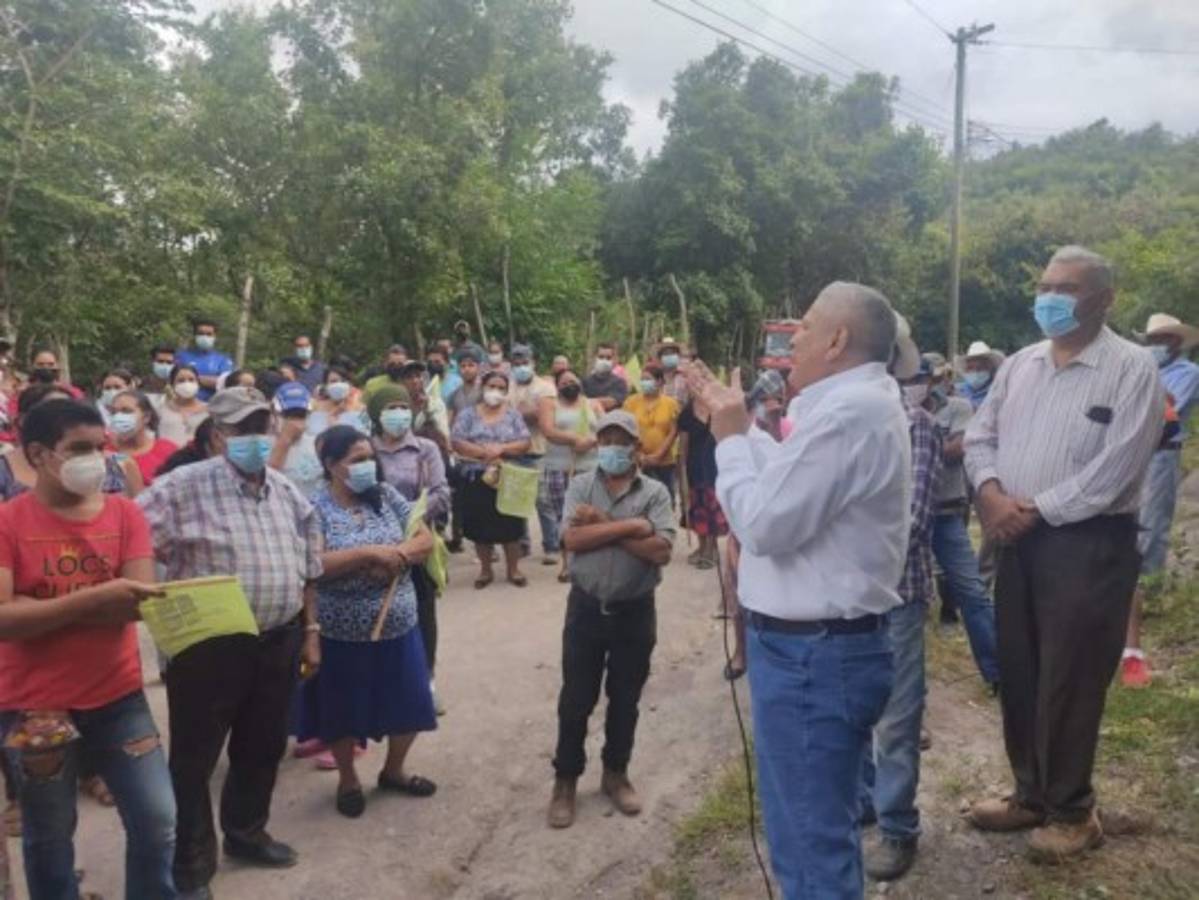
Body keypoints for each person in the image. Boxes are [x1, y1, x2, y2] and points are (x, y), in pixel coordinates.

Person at [687, 281, 910, 899]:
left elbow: (760, 524)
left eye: (805, 327)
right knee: (816, 826)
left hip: (815, 656)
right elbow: (786, 483)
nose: (793, 338)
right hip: (816, 651)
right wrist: (731, 424)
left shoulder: (849, 413)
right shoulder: (848, 406)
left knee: (810, 846)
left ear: (837, 341)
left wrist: (731, 439)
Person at [963, 246, 1163, 862]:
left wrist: (1030, 510)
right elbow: (979, 435)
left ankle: (1074, 811)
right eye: (1046, 284)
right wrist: (992, 496)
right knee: (1020, 669)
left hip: (1087, 544)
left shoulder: (1132, 371)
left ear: (1103, 299)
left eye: (1067, 288)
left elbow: (1116, 470)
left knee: (1070, 680)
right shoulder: (1020, 365)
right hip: (1015, 538)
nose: (1049, 297)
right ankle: (1030, 794)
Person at [138, 386, 323, 898]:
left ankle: (246, 832)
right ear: (218, 435)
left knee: (262, 745)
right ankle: (193, 863)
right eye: (241, 429)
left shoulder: (285, 490)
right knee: (195, 758)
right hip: (207, 649)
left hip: (277, 639)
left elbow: (310, 565)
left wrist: (311, 633)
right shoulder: (181, 487)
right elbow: (131, 538)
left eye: (261, 428)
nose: (254, 439)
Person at [0, 398, 177, 899]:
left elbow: (135, 603)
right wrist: (99, 597)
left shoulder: (125, 515)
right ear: (37, 455)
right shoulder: (8, 522)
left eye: (100, 448)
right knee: (49, 837)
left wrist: (36, 608)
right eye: (79, 449)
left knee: (157, 820)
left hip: (119, 696)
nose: (96, 459)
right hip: (34, 708)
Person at [294, 426, 438, 818]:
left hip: (399, 625)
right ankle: (348, 779)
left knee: (409, 701)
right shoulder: (315, 509)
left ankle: (393, 771)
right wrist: (369, 554)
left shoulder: (387, 497)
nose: (367, 466)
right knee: (342, 710)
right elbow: (313, 566)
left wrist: (400, 556)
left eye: (370, 458)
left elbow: (424, 539)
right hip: (341, 633)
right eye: (357, 460)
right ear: (331, 466)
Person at [547, 411, 674, 829]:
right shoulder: (582, 484)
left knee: (625, 700)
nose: (612, 449)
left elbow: (660, 551)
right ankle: (565, 780)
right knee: (575, 700)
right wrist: (631, 528)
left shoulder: (655, 492)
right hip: (585, 609)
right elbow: (571, 539)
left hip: (635, 613)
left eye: (621, 441)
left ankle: (615, 774)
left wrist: (602, 523)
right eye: (606, 440)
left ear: (637, 448)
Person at [859, 315, 942, 883]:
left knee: (895, 719)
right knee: (856, 712)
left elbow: (907, 523)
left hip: (895, 594)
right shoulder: (841, 423)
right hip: (848, 597)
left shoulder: (918, 425)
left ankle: (896, 828)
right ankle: (866, 801)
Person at [1124, 313, 1199, 686]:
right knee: (1128, 518)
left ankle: (1146, 588)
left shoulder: (1187, 372)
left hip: (1163, 451)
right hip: (1137, 450)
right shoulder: (1143, 369)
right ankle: (1130, 589)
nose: (1156, 346)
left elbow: (1166, 410)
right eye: (1152, 339)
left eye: (1163, 340)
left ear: (1175, 342)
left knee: (1153, 523)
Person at [368, 383, 450, 709]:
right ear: (376, 414)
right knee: (378, 615)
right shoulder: (365, 449)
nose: (400, 413)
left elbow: (441, 492)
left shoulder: (425, 449)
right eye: (391, 408)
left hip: (417, 544)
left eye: (404, 407)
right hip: (375, 548)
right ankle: (381, 686)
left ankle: (425, 683)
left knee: (422, 616)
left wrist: (411, 516)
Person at [921, 355, 1000, 687]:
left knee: (972, 591)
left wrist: (917, 442)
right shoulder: (891, 406)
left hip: (944, 512)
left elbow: (960, 448)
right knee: (905, 603)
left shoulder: (958, 407)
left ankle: (998, 674)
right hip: (904, 517)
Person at [450, 370, 532, 588]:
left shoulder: (513, 415)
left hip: (507, 476)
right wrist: (482, 452)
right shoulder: (468, 414)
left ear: (506, 392)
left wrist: (502, 448)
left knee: (511, 526)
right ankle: (485, 570)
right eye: (491, 386)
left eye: (500, 388)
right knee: (480, 526)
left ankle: (513, 569)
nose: (495, 391)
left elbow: (525, 442)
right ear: (483, 387)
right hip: (476, 475)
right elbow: (456, 440)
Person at [542, 370, 604, 581]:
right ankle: (568, 563)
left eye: (573, 380)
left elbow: (606, 430)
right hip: (559, 468)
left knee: (590, 515)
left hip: (591, 468)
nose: (569, 384)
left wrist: (591, 441)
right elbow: (548, 431)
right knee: (565, 516)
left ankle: (591, 562)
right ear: (557, 386)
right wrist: (574, 439)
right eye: (564, 382)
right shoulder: (549, 404)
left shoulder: (592, 404)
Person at [508, 344, 559, 562]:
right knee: (517, 502)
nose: (521, 367)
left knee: (543, 501)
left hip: (538, 450)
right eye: (517, 364)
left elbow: (542, 414)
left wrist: (514, 414)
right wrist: (523, 413)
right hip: (512, 451)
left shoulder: (545, 387)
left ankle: (551, 546)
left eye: (525, 363)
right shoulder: (508, 386)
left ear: (533, 363)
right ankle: (523, 544)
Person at [677, 399, 725, 570]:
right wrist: (681, 467)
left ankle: (711, 550)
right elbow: (683, 443)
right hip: (695, 467)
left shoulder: (717, 408)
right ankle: (702, 546)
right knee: (697, 509)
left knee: (712, 509)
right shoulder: (687, 413)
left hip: (715, 467)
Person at [622, 363, 679, 499]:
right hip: (636, 462)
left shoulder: (671, 404)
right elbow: (625, 429)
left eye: (648, 379)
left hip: (664, 462)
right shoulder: (631, 402)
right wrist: (639, 455)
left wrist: (658, 455)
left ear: (659, 381)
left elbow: (673, 431)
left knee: (664, 497)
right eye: (642, 380)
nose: (644, 383)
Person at [108, 390, 178, 486]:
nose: (118, 417)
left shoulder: (168, 450)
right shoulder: (105, 452)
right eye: (113, 413)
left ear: (146, 417)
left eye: (126, 411)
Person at [268, 381, 324, 499]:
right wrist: (284, 441)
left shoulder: (318, 443)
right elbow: (266, 482)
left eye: (300, 415)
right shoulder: (262, 445)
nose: (294, 422)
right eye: (287, 415)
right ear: (273, 412)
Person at [174, 319, 233, 401]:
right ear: (195, 335)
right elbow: (174, 380)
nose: (205, 337)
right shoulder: (181, 356)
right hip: (184, 405)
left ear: (215, 336)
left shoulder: (223, 360)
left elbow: (225, 383)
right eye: (201, 333)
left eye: (209, 334)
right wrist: (210, 380)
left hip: (212, 407)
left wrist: (191, 379)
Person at [308, 364, 369, 435]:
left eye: (343, 381)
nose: (339, 384)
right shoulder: (314, 406)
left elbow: (366, 434)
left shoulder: (361, 409)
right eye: (333, 381)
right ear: (325, 385)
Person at [157, 365, 209, 446]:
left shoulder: (209, 411)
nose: (187, 384)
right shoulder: (161, 410)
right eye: (181, 381)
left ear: (198, 383)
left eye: (191, 380)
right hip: (168, 457)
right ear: (172, 384)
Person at [956, 340, 1004, 411]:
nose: (975, 372)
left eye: (980, 368)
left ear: (990, 368)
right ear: (965, 369)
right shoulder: (957, 390)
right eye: (970, 368)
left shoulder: (998, 393)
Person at [581, 343, 627, 411]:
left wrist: (588, 402)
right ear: (594, 358)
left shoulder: (619, 383)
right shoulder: (585, 382)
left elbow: (610, 402)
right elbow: (579, 402)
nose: (604, 361)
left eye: (608, 358)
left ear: (614, 360)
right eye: (601, 357)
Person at [447, 345, 484, 421]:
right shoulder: (453, 396)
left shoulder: (484, 393)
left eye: (471, 365)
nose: (466, 369)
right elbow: (449, 421)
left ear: (479, 367)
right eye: (463, 366)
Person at [658, 337, 689, 407]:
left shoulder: (686, 376)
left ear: (678, 356)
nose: (669, 356)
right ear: (660, 358)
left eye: (672, 353)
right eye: (665, 354)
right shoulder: (657, 377)